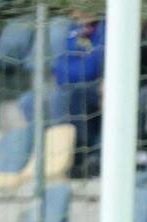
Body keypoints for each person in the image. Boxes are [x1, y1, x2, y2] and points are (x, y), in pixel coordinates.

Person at [53, 11, 106, 177]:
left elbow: (94, 66)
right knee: (31, 100)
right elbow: (59, 68)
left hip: (99, 85)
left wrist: (73, 72)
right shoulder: (73, 30)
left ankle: (82, 156)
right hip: (74, 86)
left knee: (74, 96)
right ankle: (59, 155)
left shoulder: (107, 27)